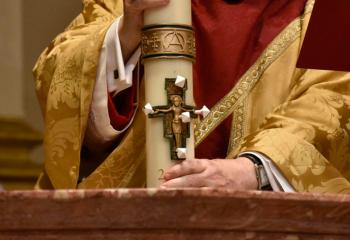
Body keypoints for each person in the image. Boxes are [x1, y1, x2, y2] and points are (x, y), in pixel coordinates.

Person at [33, 0, 350, 193]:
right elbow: (58, 76)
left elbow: (333, 103)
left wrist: (255, 170)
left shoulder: (335, 9)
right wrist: (126, 34)